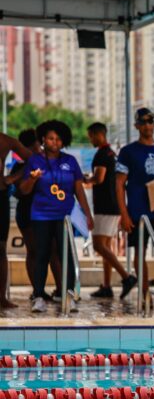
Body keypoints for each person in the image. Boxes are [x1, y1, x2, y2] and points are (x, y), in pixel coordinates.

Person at [20, 121, 94, 312]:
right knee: (41, 254)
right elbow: (24, 190)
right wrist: (32, 179)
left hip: (65, 217)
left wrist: (87, 213)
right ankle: (38, 296)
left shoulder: (70, 161)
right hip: (41, 216)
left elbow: (79, 189)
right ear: (43, 139)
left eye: (59, 139)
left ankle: (68, 295)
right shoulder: (35, 160)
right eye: (51, 138)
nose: (55, 142)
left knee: (66, 256)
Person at [115, 108, 154, 303]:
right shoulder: (128, 152)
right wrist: (124, 214)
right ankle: (145, 295)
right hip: (138, 212)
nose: (147, 125)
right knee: (139, 251)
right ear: (136, 126)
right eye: (143, 122)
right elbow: (119, 184)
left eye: (150, 121)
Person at [84, 122, 137, 298]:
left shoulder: (101, 155)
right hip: (113, 206)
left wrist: (84, 180)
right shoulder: (111, 154)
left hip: (104, 206)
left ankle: (126, 277)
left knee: (99, 245)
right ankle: (106, 286)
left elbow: (99, 178)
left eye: (91, 136)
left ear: (98, 134)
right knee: (106, 246)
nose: (90, 140)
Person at [7, 130, 49, 304]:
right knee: (34, 251)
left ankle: (42, 289)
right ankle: (37, 290)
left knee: (44, 252)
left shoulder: (46, 162)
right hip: (27, 213)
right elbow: (17, 190)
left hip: (44, 213)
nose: (39, 149)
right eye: (36, 146)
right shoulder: (20, 167)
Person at [0, 131, 34, 307]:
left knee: (0, 248)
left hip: (0, 195)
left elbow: (34, 159)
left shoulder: (5, 141)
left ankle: (1, 298)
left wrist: (13, 178)